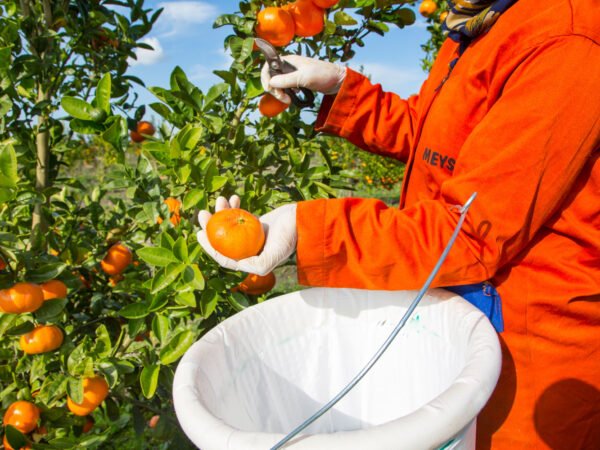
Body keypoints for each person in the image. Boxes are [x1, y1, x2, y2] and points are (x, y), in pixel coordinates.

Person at [197, 0, 600, 448]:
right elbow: (432, 134)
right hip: (461, 303)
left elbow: (470, 230)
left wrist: (308, 230)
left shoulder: (565, 39)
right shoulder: (478, 25)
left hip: (531, 349)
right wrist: (339, 88)